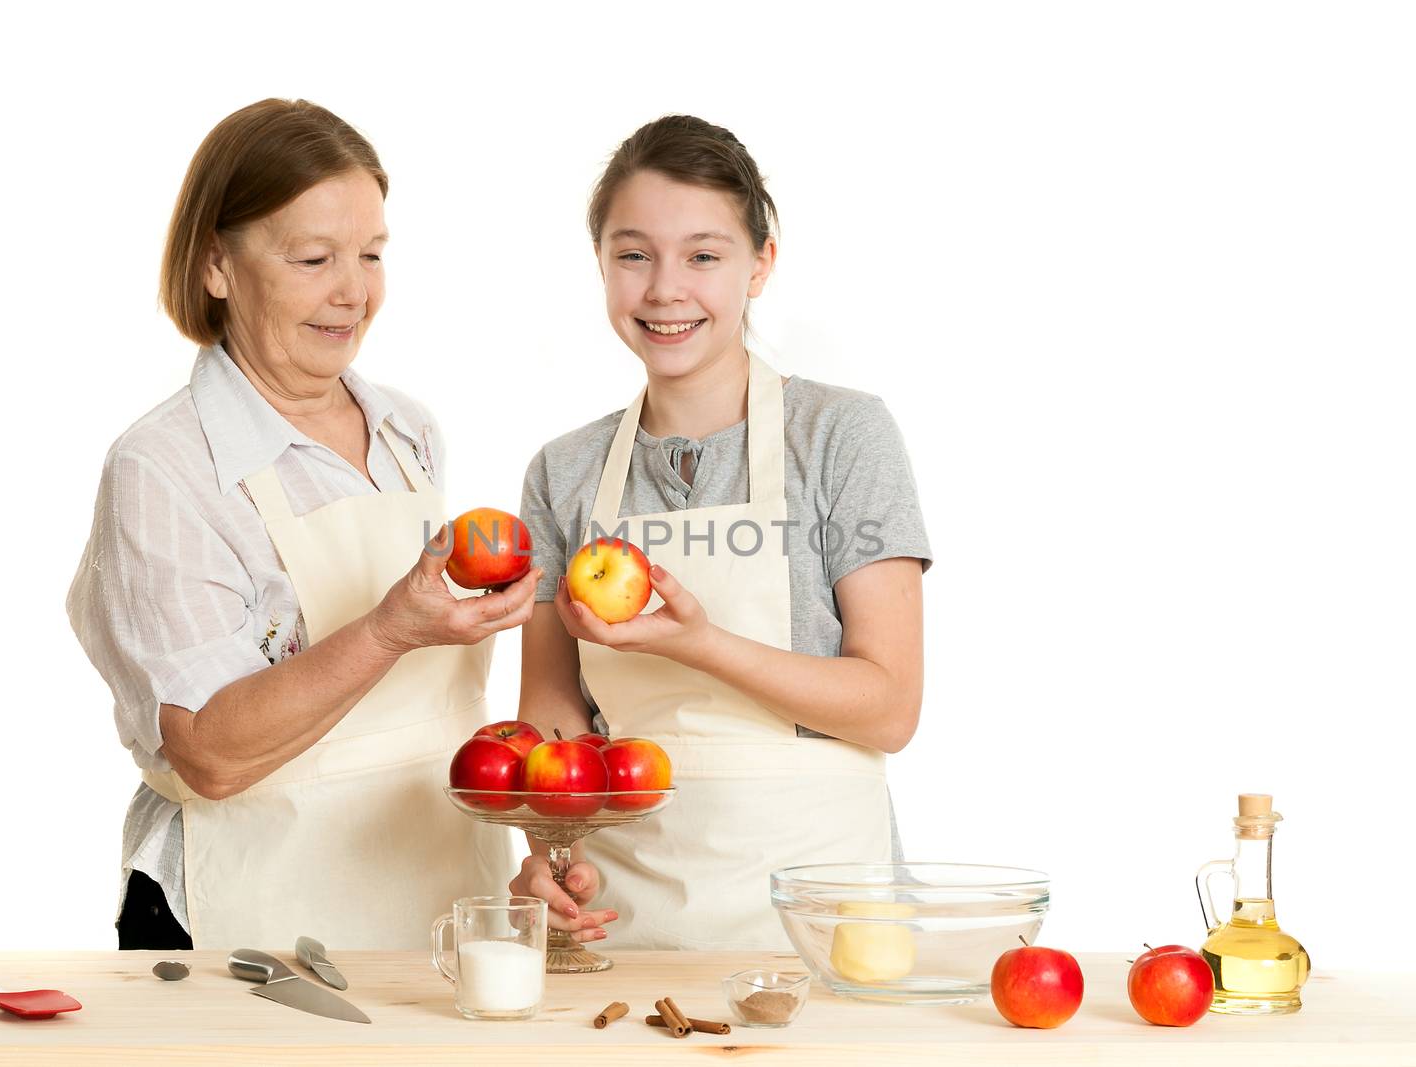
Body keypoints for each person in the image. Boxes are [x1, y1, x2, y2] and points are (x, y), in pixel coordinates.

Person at [67, 99, 537, 950]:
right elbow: (209, 752)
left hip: (434, 884)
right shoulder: (166, 466)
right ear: (216, 265)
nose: (354, 292)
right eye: (314, 257)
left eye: (372, 254)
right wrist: (391, 627)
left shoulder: (408, 433)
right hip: (251, 915)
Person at [511, 115, 931, 951]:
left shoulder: (841, 435)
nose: (666, 288)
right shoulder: (564, 472)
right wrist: (552, 849)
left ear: (760, 264)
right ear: (601, 265)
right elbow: (553, 710)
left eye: (704, 255)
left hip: (827, 917)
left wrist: (699, 643)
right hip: (626, 916)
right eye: (634, 255)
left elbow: (888, 707)